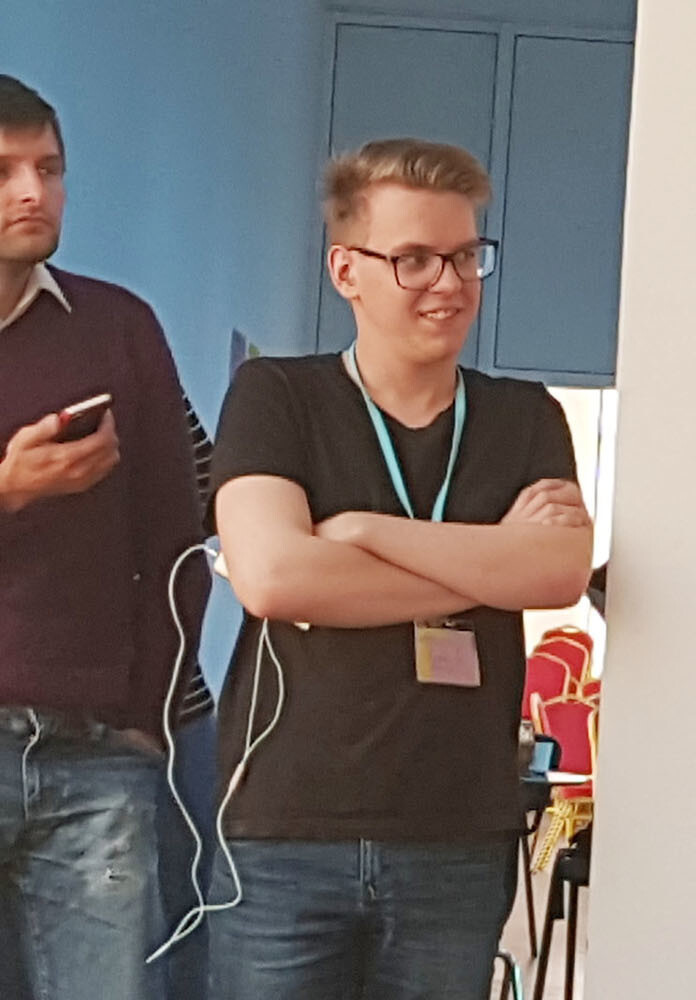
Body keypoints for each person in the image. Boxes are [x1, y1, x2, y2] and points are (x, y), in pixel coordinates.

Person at [205, 137, 592, 1000]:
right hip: (285, 831)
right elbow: (273, 579)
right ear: (346, 270)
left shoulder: (525, 417)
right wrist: (491, 562)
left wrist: (359, 533)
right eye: (414, 259)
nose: (449, 284)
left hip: (457, 833)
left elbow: (559, 573)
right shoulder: (279, 397)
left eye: (465, 256)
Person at [0, 74, 210, 1000]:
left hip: (97, 752)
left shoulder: (119, 327)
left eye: (49, 169)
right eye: (4, 171)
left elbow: (178, 543)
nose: (32, 192)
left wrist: (147, 719)